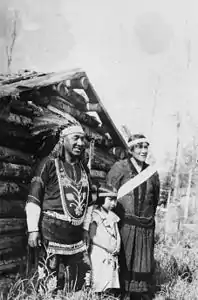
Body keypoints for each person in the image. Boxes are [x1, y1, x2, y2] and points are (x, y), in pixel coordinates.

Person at [25, 117, 94, 294]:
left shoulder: (83, 169)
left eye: (82, 138)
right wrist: (33, 229)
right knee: (48, 282)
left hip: (76, 236)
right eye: (75, 138)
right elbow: (34, 198)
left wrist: (85, 228)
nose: (80, 143)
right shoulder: (48, 164)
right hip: (51, 231)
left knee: (80, 282)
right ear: (63, 141)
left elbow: (89, 203)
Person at [107, 134, 160, 300]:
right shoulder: (119, 167)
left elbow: (154, 201)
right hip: (125, 227)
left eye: (146, 147)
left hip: (145, 228)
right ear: (130, 150)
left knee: (142, 267)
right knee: (124, 265)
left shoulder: (152, 173)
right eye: (139, 147)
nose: (144, 151)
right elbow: (108, 194)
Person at [89, 184, 120, 295]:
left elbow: (117, 233)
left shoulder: (113, 216)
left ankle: (107, 295)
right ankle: (96, 295)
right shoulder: (95, 215)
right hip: (100, 252)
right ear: (102, 198)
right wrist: (107, 247)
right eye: (110, 200)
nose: (113, 203)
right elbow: (92, 236)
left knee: (109, 278)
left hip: (111, 253)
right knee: (99, 277)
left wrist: (117, 246)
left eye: (115, 200)